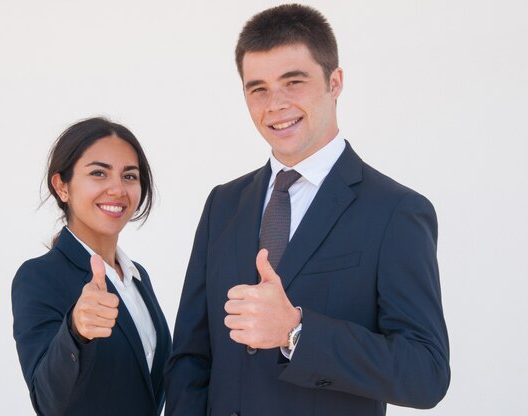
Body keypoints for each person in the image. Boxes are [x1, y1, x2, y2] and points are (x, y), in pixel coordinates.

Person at [165, 4, 450, 415]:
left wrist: (296, 332)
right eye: (257, 87)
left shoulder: (396, 211)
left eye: (293, 81)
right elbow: (191, 358)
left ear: (335, 82)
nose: (275, 104)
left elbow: (426, 374)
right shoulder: (223, 204)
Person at [12, 117, 171, 416]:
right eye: (99, 173)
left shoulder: (137, 277)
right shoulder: (39, 277)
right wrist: (75, 332)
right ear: (62, 186)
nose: (117, 189)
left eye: (129, 176)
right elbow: (47, 402)